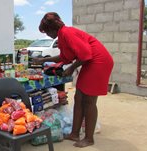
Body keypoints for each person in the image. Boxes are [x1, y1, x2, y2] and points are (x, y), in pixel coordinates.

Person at [33, 12, 114, 148]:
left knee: (89, 100)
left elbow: (86, 54)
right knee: (79, 97)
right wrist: (43, 60)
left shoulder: (67, 33)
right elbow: (64, 57)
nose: (47, 35)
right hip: (89, 62)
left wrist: (71, 69)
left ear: (51, 29)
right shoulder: (63, 36)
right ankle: (74, 133)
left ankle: (89, 138)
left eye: (47, 32)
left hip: (98, 62)